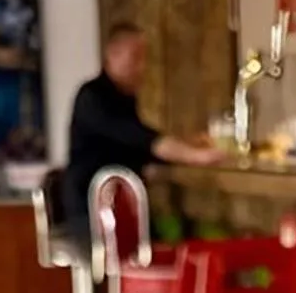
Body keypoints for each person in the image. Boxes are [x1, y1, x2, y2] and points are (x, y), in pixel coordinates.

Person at [62, 20, 220, 237]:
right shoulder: (92, 96)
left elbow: (139, 148)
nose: (142, 67)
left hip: (124, 205)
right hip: (93, 210)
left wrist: (187, 144)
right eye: (136, 58)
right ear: (113, 54)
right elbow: (143, 139)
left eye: (144, 59)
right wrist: (194, 156)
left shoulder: (124, 98)